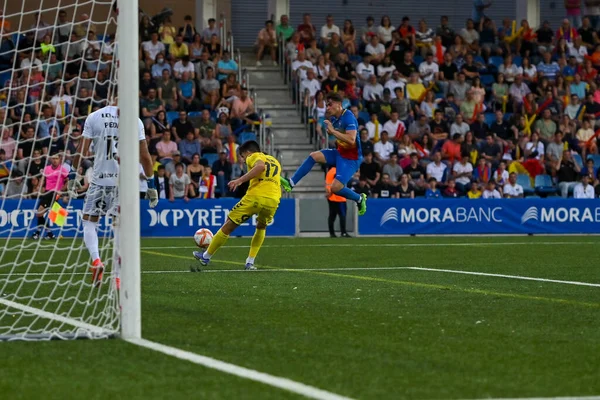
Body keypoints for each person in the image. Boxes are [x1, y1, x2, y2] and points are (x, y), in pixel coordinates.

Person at [68, 103, 157, 288]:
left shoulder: (94, 117)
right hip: (124, 184)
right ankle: (117, 277)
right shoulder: (135, 120)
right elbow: (146, 157)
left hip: (100, 180)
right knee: (119, 229)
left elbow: (81, 151)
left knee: (89, 222)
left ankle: (96, 261)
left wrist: (72, 174)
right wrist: (151, 185)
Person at [193, 140, 283, 270]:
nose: (243, 160)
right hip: (273, 199)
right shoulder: (274, 161)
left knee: (229, 224)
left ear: (247, 152)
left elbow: (260, 167)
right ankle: (250, 262)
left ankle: (206, 256)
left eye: (242, 156)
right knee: (261, 226)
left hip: (255, 197)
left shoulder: (254, 156)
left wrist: (240, 180)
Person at [280, 92, 367, 215]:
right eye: (327, 105)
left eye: (330, 105)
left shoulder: (348, 116)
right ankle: (291, 182)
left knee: (335, 188)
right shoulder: (334, 119)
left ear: (339, 104)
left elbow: (351, 139)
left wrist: (333, 131)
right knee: (313, 156)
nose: (328, 108)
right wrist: (332, 132)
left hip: (351, 159)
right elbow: (339, 136)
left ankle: (359, 198)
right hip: (340, 153)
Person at [325, 167, 349, 238]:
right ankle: (343, 232)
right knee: (342, 215)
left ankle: (332, 233)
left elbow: (328, 183)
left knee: (332, 216)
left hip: (331, 197)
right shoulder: (338, 171)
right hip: (339, 197)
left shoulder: (330, 171)